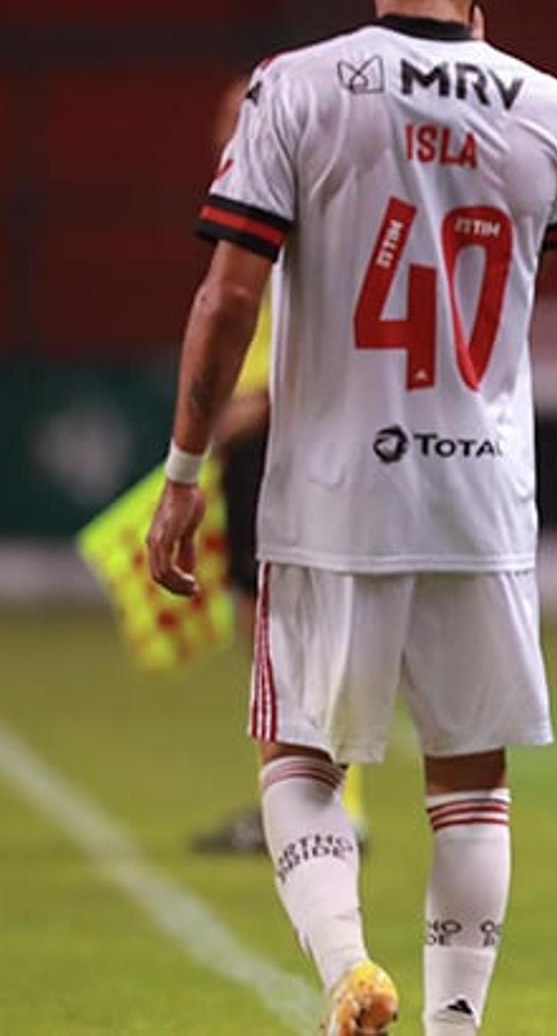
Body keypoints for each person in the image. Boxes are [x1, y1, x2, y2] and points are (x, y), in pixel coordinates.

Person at [146, 0, 557, 1035]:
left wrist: (186, 470)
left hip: (337, 486)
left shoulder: (292, 87)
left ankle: (349, 967)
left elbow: (229, 297)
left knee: (296, 753)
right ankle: (455, 1025)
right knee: (473, 785)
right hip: (483, 491)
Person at [191, 75, 372, 858]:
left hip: (290, 438)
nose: (227, 128)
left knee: (301, 632)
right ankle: (295, 804)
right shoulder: (255, 204)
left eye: (241, 114)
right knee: (266, 635)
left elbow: (335, 331)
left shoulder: (308, 211)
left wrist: (257, 401)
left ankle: (335, 808)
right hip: (254, 441)